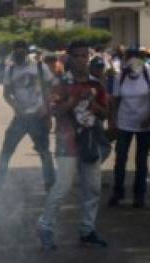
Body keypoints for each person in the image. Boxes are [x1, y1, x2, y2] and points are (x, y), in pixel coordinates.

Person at [36, 41, 109, 250]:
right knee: (62, 187)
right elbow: (53, 112)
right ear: (69, 59)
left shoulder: (96, 84)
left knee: (93, 188)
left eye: (84, 56)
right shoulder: (61, 84)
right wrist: (73, 101)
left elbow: (105, 113)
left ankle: (87, 230)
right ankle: (45, 227)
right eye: (76, 56)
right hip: (67, 142)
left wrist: (93, 103)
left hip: (90, 141)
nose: (81, 59)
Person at [0, 39, 56, 194]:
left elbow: (53, 88)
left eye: (22, 49)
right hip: (20, 118)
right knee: (6, 151)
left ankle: (51, 186)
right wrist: (15, 107)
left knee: (45, 153)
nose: (19, 52)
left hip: (38, 117)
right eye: (16, 49)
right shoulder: (10, 70)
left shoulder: (40, 67)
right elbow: (6, 94)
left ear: (27, 51)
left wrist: (46, 109)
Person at [107, 47, 150, 208]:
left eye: (136, 59)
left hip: (146, 124)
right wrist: (112, 121)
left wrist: (149, 117)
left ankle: (139, 195)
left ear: (141, 62)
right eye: (129, 59)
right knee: (120, 159)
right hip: (124, 123)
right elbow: (115, 102)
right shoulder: (120, 77)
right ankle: (118, 192)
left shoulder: (149, 76)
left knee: (141, 161)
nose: (132, 63)